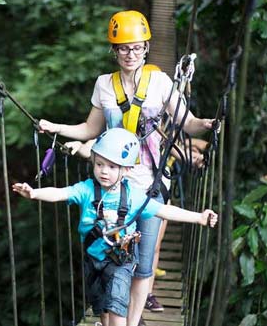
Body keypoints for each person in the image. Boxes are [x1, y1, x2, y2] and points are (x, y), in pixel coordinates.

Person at [37, 10, 216, 323]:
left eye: (136, 47)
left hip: (150, 185)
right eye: (123, 48)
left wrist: (208, 123)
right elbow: (89, 129)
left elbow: (187, 124)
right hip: (113, 184)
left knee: (144, 263)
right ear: (114, 50)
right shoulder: (104, 85)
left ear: (146, 48)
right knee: (111, 258)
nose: (130, 54)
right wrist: (55, 127)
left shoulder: (160, 82)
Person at [13, 129, 217, 326]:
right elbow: (60, 193)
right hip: (94, 261)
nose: (104, 171)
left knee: (117, 307)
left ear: (126, 170)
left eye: (112, 167)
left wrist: (199, 217)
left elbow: (164, 211)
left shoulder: (134, 196)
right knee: (102, 309)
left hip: (121, 261)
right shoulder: (86, 190)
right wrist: (34, 193)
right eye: (99, 164)